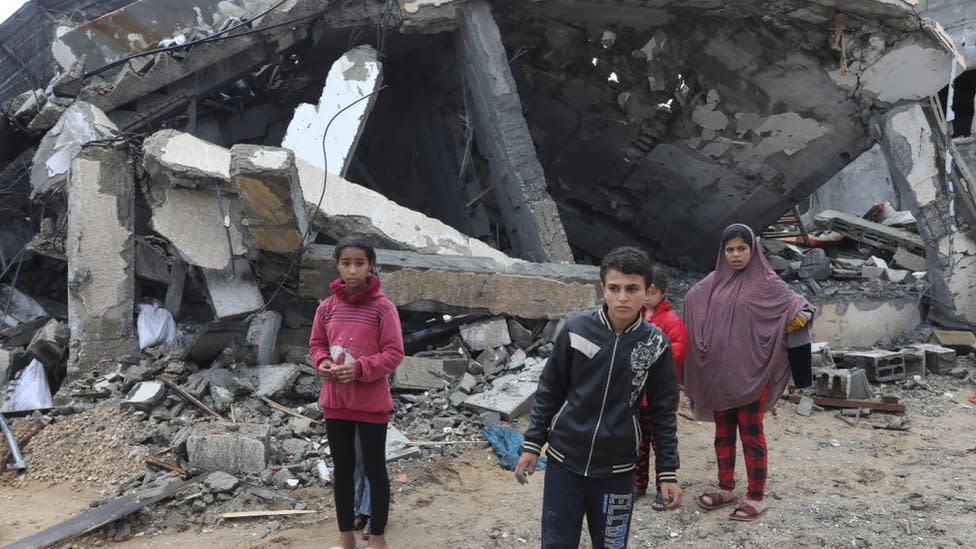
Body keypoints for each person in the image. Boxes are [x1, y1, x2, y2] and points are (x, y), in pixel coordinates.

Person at [514, 246, 683, 549]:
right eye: (614, 288)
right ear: (602, 288)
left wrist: (666, 471)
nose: (622, 297)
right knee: (556, 543)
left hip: (617, 470)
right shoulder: (577, 329)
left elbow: (662, 412)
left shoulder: (655, 344)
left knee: (611, 544)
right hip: (564, 462)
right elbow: (550, 389)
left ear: (647, 291)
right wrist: (532, 444)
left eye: (632, 289)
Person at [682, 223, 813, 522]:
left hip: (753, 374)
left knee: (751, 434)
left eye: (742, 248)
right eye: (729, 250)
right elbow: (691, 300)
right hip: (719, 374)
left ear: (753, 250)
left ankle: (756, 496)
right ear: (722, 252)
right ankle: (726, 488)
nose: (735, 255)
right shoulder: (713, 282)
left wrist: (799, 318)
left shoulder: (767, 282)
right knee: (723, 434)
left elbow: (800, 306)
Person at [309, 235, 404, 549]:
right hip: (336, 403)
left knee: (376, 469)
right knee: (344, 470)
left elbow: (393, 353)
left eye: (359, 263)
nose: (352, 270)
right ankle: (345, 536)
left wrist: (361, 369)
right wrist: (322, 363)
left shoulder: (383, 308)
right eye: (346, 263)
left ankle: (377, 537)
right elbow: (317, 345)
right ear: (336, 265)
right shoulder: (326, 308)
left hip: (372, 404)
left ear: (370, 265)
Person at [634, 269, 688, 510]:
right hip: (638, 394)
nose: (647, 296)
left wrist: (649, 358)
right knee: (638, 441)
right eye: (645, 290)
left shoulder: (672, 321)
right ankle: (637, 483)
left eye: (652, 291)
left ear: (663, 293)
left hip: (660, 394)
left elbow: (678, 351)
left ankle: (662, 486)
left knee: (661, 440)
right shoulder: (639, 316)